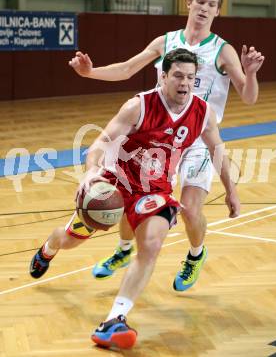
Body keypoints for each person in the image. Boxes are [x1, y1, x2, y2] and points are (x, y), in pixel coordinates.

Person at [30, 49, 240, 349]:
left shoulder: (202, 112)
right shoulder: (138, 106)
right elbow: (101, 142)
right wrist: (90, 173)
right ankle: (48, 250)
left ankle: (114, 319)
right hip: (115, 185)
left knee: (152, 243)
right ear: (163, 76)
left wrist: (231, 190)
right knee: (69, 238)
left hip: (154, 192)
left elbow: (217, 150)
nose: (185, 83)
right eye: (178, 75)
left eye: (191, 77)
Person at [69, 0, 264, 291]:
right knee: (129, 195)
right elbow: (127, 68)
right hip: (158, 136)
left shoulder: (222, 50)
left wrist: (250, 74)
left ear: (217, 11)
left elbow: (249, 97)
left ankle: (195, 255)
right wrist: (89, 72)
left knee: (190, 209)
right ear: (189, 3)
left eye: (211, 5)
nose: (204, 8)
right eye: (200, 2)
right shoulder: (167, 41)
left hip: (198, 139)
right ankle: (122, 250)